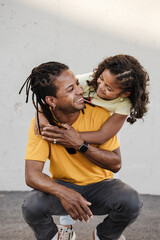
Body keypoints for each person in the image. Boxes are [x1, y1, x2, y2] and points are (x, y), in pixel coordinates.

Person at [20, 61, 142, 240]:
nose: (80, 90)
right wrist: (64, 193)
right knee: (31, 205)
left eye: (77, 84)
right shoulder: (42, 124)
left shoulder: (100, 114)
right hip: (64, 185)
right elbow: (32, 175)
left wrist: (80, 144)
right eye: (70, 89)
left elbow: (116, 164)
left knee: (131, 201)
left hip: (101, 187)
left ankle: (104, 236)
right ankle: (56, 236)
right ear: (52, 101)